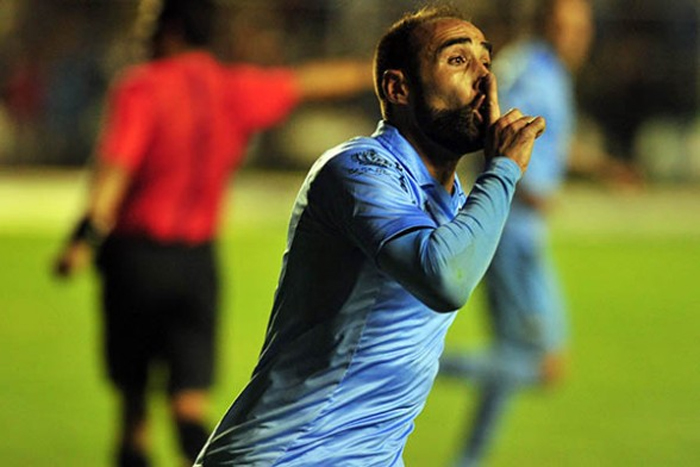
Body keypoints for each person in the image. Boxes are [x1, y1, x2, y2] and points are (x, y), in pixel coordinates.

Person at [194, 5, 546, 466]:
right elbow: (445, 279)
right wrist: (502, 171)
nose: (485, 79)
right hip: (289, 455)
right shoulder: (359, 168)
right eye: (458, 60)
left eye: (486, 61)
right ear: (398, 88)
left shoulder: (455, 200)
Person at [52, 1, 374, 466]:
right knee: (189, 407)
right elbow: (305, 83)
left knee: (134, 410)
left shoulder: (142, 87)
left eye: (150, 25)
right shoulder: (231, 88)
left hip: (135, 260)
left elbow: (116, 168)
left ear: (172, 29)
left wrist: (82, 239)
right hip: (196, 265)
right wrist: (378, 70)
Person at [438, 0, 594, 465]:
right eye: (565, 27)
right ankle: (411, 363)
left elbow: (551, 140)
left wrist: (605, 167)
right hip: (514, 237)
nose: (575, 38)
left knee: (508, 357)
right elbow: (497, 131)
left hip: (518, 232)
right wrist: (526, 186)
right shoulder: (530, 72)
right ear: (543, 24)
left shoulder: (546, 71)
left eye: (581, 28)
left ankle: (467, 461)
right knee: (544, 365)